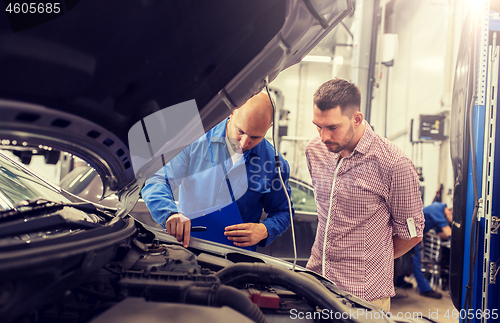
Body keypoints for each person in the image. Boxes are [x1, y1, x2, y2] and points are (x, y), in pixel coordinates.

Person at [304, 78, 425, 312]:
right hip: (316, 284)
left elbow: (412, 234)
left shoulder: (394, 164)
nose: (323, 136)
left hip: (364, 297)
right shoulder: (315, 151)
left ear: (357, 119)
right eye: (318, 126)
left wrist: (369, 262)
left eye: (332, 127)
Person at [141, 92, 293, 251]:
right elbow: (157, 180)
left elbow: (283, 211)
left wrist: (265, 230)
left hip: (235, 259)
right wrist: (170, 214)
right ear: (232, 112)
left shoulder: (275, 165)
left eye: (255, 137)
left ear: (269, 127)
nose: (244, 143)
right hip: (185, 249)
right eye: (240, 131)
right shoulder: (194, 140)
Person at [397, 202, 452, 299]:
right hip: (410, 234)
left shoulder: (441, 214)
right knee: (415, 261)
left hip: (413, 235)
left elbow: (441, 234)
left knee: (405, 259)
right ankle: (425, 289)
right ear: (450, 213)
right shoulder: (437, 208)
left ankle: (399, 281)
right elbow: (447, 231)